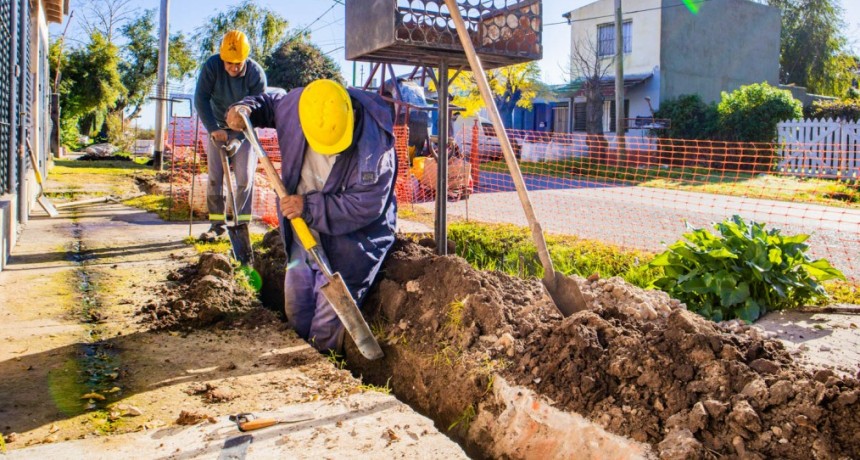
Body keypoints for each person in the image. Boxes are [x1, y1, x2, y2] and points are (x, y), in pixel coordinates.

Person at [225, 79, 397, 353]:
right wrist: (247, 108)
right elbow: (270, 103)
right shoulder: (300, 106)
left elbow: (364, 206)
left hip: (351, 240)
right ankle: (293, 357)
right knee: (296, 305)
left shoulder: (374, 151)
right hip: (301, 231)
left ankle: (323, 363)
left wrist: (308, 207)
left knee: (327, 320)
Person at [194, 30, 267, 241]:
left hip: (245, 129)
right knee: (216, 178)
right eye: (229, 63)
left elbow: (260, 110)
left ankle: (242, 225)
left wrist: (239, 138)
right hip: (217, 127)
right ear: (222, 59)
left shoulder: (255, 74)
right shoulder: (212, 66)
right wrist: (213, 129)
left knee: (244, 178)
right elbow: (201, 99)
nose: (233, 68)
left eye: (238, 63)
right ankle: (217, 225)